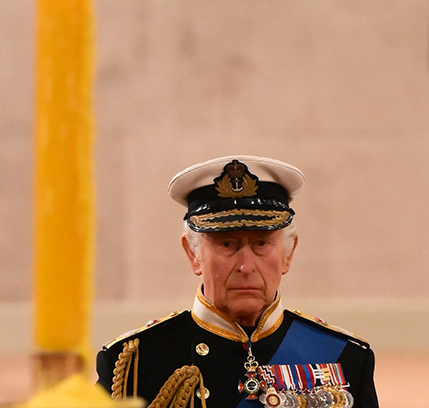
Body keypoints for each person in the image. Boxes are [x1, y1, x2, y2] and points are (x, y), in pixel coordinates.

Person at [96, 156, 379, 408]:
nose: (245, 266)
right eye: (227, 244)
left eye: (261, 243)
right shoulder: (135, 364)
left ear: (287, 254)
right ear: (193, 254)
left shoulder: (347, 358)